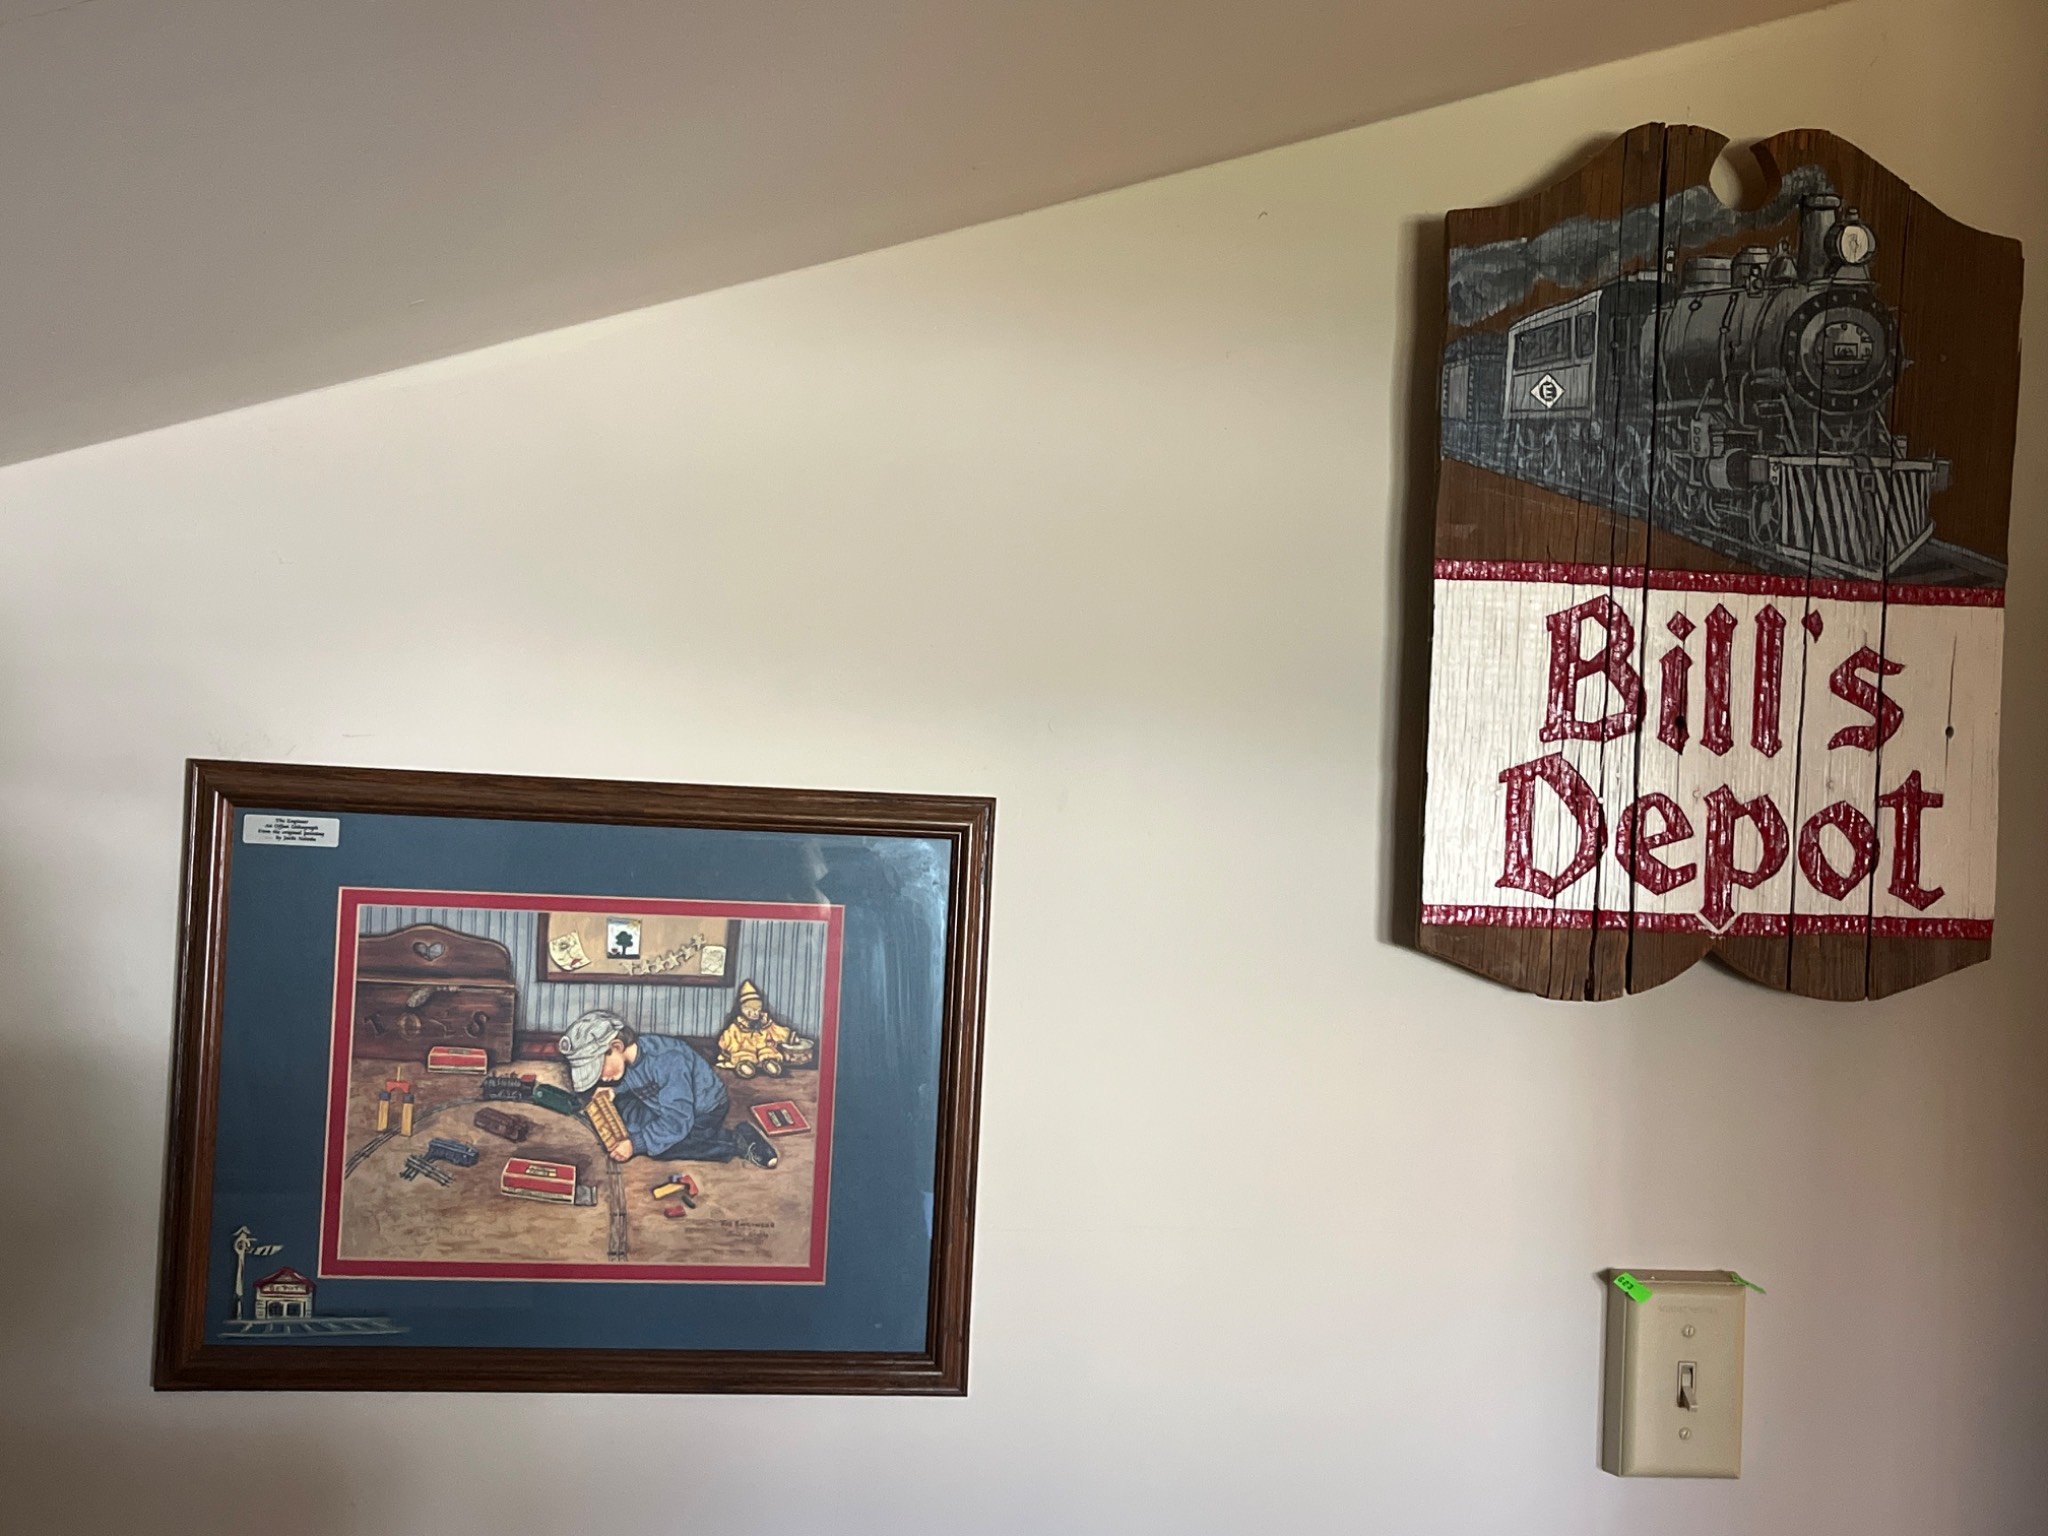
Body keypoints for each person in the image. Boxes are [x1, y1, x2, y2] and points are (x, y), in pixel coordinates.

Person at [556, 1009, 776, 1168]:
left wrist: (636, 1144)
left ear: (616, 1046)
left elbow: (678, 1120)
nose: (600, 1078)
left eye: (598, 1069)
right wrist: (614, 1091)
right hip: (660, 1101)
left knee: (664, 1147)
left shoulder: (667, 1060)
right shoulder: (627, 1058)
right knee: (625, 1115)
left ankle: (737, 1141)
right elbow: (635, 1077)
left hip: (701, 1111)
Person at [714, 980, 814, 1078]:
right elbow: (727, 1039)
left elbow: (777, 1031)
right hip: (746, 1050)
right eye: (749, 1010)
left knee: (769, 1052)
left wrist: (789, 1037)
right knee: (743, 1055)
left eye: (757, 1010)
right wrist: (732, 1048)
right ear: (742, 1009)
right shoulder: (737, 1026)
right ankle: (745, 1065)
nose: (754, 1013)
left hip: (763, 1048)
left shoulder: (765, 1023)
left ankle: (770, 1063)